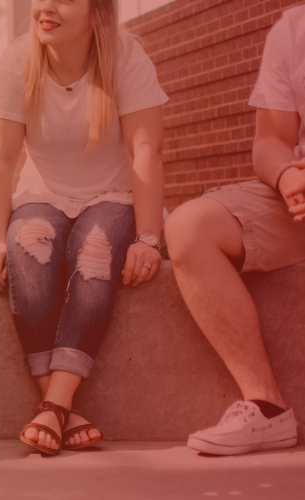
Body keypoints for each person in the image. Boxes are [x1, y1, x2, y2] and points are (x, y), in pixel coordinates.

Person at [0, 0, 167, 455]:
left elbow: (146, 151)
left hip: (114, 197)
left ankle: (53, 405)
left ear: (97, 11)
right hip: (42, 196)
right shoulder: (17, 61)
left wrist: (147, 237)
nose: (45, 7)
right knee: (28, 250)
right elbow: (0, 160)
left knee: (95, 252)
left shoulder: (126, 57)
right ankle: (61, 408)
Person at [165, 5, 305, 456]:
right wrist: (287, 176)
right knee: (190, 226)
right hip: (299, 200)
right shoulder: (293, 29)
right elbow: (270, 140)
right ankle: (266, 407)